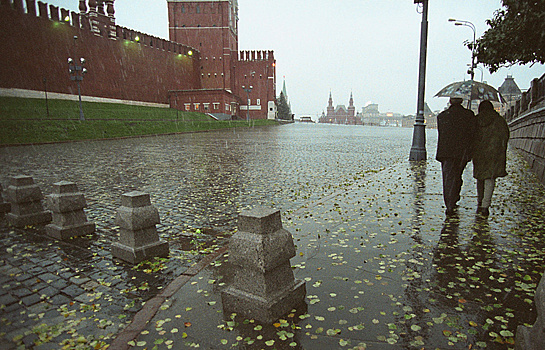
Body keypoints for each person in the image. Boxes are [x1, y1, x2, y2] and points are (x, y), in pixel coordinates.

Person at [436, 97, 477, 216]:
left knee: (448, 178)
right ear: (462, 102)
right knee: (457, 175)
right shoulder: (469, 115)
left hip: (446, 152)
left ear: (450, 102)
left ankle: (449, 203)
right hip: (462, 152)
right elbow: (472, 133)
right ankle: (454, 198)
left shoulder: (442, 116)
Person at [472, 100, 510, 217]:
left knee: (480, 178)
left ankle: (479, 202)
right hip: (494, 154)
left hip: (479, 153)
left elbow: (471, 136)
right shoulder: (499, 121)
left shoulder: (476, 120)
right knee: (490, 179)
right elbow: (505, 136)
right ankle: (485, 206)